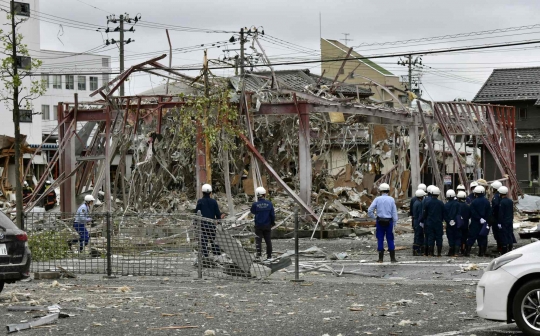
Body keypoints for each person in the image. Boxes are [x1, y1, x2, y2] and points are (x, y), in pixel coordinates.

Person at [368, 183, 398, 263]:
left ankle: (380, 258)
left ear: (380, 191)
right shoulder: (391, 199)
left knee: (380, 239)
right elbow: (394, 212)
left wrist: (375, 217)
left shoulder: (377, 199)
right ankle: (392, 258)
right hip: (389, 222)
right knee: (390, 239)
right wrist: (395, 223)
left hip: (380, 221)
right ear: (388, 190)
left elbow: (370, 210)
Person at [195, 184, 225, 259]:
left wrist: (195, 223)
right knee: (213, 240)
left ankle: (205, 255)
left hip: (203, 224)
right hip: (212, 224)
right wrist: (219, 221)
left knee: (204, 241)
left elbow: (196, 213)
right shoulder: (214, 202)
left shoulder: (200, 201)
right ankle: (217, 254)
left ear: (202, 192)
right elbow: (217, 213)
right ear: (210, 192)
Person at [464, 186, 492, 257]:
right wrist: (485, 219)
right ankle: (481, 252)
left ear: (475, 193)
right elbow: (489, 212)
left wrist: (479, 218)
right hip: (484, 223)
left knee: (471, 237)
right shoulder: (487, 202)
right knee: (483, 237)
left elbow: (472, 212)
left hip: (475, 222)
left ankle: (467, 252)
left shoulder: (474, 202)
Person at [250, 187, 275, 260]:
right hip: (267, 225)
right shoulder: (269, 204)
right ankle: (269, 255)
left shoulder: (255, 204)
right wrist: (272, 222)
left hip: (258, 225)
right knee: (268, 240)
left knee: (258, 240)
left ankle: (258, 255)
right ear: (264, 194)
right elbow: (272, 215)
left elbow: (253, 212)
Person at [422, 186, 446, 257]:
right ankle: (439, 253)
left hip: (430, 223)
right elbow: (443, 213)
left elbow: (425, 214)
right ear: (438, 194)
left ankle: (431, 253)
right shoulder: (441, 203)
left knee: (430, 237)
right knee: (439, 237)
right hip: (438, 223)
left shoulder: (427, 203)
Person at [497, 186, 514, 254]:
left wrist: (499, 222)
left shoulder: (502, 202)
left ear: (501, 193)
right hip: (510, 220)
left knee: (504, 235)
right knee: (509, 234)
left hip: (504, 221)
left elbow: (501, 213)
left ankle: (504, 249)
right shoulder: (510, 201)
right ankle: (510, 247)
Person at [444, 189, 461, 257]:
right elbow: (459, 213)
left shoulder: (446, 205)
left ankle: (451, 250)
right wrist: (454, 220)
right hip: (457, 223)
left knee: (450, 237)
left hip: (449, 224)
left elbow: (444, 215)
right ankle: (456, 252)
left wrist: (449, 221)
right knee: (457, 237)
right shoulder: (457, 204)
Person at [412, 189, 426, 256]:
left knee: (416, 235)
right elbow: (421, 214)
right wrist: (422, 222)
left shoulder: (415, 202)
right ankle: (417, 251)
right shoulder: (420, 203)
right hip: (418, 221)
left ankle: (415, 250)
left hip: (415, 220)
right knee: (419, 235)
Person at [490, 181, 503, 253]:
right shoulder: (500, 196)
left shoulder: (496, 197)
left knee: (497, 233)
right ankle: (500, 246)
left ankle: (500, 247)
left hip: (496, 218)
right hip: (499, 217)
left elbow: (495, 207)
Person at [456, 191, 471, 255]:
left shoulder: (456, 205)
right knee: (464, 238)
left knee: (458, 237)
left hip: (458, 224)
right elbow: (469, 215)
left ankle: (457, 250)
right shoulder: (467, 206)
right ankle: (463, 249)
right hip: (465, 224)